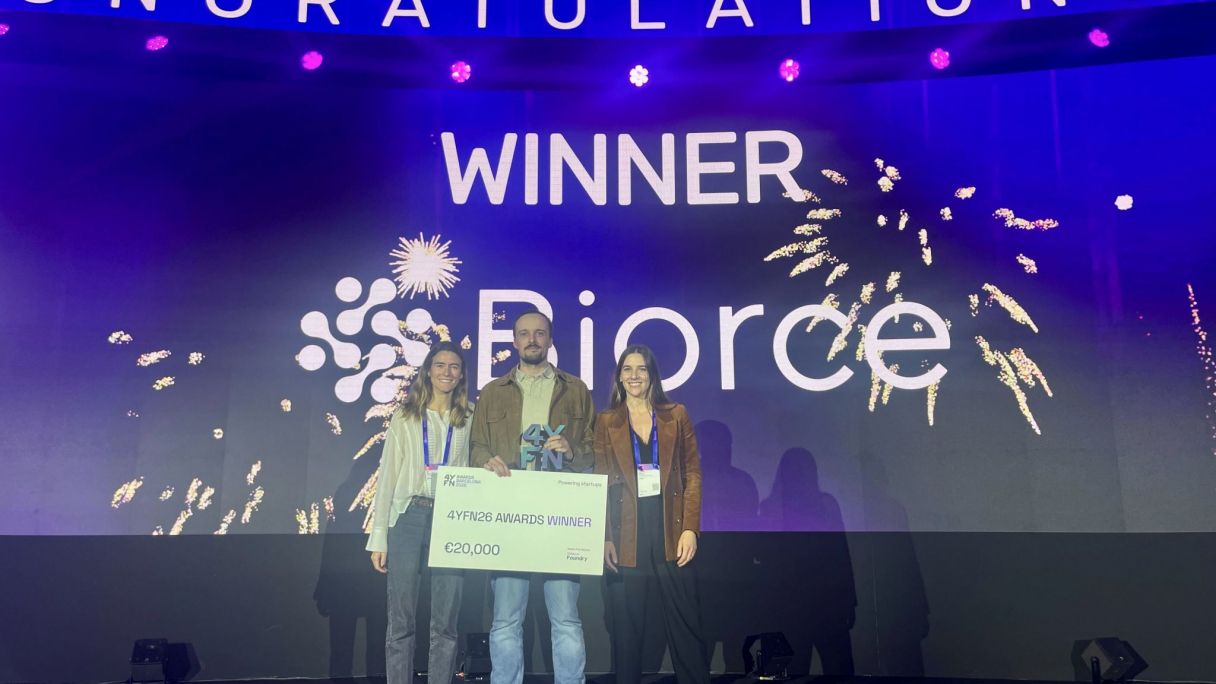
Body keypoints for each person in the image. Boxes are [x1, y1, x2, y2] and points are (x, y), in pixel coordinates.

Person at [470, 311, 596, 684]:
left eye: (540, 333)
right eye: (524, 334)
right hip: (510, 512)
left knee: (566, 618)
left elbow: (594, 449)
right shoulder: (493, 391)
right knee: (506, 619)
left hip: (559, 512)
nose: (532, 340)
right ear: (514, 341)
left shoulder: (576, 389)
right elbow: (476, 447)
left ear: (550, 339)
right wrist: (485, 461)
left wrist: (572, 450)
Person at [593, 344, 709, 684]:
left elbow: (693, 474)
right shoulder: (606, 421)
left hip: (671, 528)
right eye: (627, 369)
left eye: (641, 369)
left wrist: (691, 529)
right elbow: (599, 480)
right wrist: (605, 537)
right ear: (619, 377)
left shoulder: (676, 414)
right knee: (626, 628)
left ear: (652, 374)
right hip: (626, 532)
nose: (634, 376)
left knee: (686, 621)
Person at [367, 341, 472, 684]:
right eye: (440, 365)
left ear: (461, 375)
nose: (447, 372)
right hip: (408, 516)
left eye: (454, 366)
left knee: (446, 622)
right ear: (428, 371)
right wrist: (379, 537)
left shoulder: (469, 417)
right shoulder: (406, 415)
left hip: (451, 519)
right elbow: (387, 476)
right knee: (401, 620)